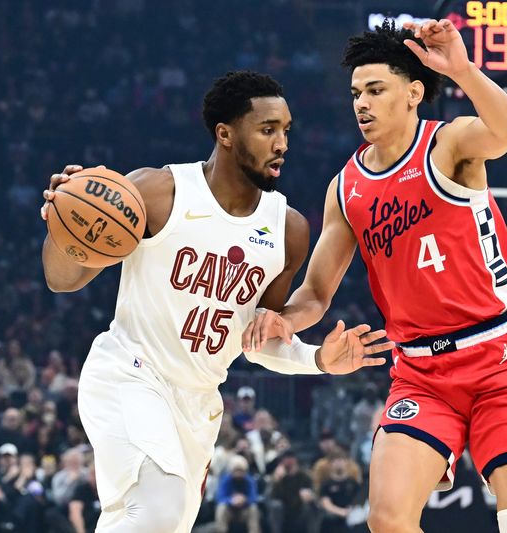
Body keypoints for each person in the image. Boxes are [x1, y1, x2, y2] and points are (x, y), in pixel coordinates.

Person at [243, 19, 507, 532]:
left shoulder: (450, 144)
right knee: (387, 520)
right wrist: (287, 320)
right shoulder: (346, 187)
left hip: (496, 358)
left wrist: (462, 69)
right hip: (420, 373)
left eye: (375, 90)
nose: (361, 104)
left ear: (413, 93)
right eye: (355, 93)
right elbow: (317, 291)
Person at [39, 70, 392, 532]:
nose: (282, 143)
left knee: (152, 521)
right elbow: (61, 281)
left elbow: (258, 339)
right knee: (158, 509)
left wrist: (317, 360)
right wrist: (66, 227)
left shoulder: (288, 230)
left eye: (286, 130)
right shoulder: (159, 192)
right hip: (130, 372)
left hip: (199, 405)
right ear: (225, 134)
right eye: (268, 130)